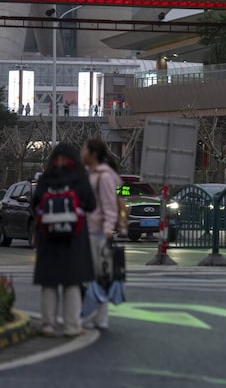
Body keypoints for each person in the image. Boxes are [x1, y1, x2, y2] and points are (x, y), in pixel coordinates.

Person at [32, 143, 96, 338]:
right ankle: (71, 326)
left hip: (48, 237)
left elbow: (35, 204)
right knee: (72, 282)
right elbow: (91, 204)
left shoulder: (45, 178)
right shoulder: (80, 178)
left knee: (49, 283)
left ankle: (47, 325)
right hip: (74, 238)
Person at [80, 138, 123, 331]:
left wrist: (107, 230)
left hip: (97, 232)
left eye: (84, 149)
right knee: (100, 276)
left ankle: (91, 316)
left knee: (94, 277)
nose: (81, 153)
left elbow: (110, 205)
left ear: (93, 153)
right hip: (90, 230)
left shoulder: (103, 176)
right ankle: (99, 317)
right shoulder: (90, 174)